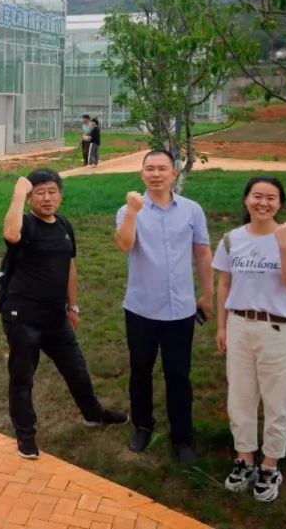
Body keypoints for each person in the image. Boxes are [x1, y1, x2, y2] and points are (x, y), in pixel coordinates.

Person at [2, 169, 127, 459]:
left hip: (56, 317)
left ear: (60, 195)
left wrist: (73, 306)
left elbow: (70, 267)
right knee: (22, 378)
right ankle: (25, 436)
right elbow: (10, 233)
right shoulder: (26, 224)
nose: (47, 198)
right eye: (39, 192)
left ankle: (93, 414)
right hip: (23, 317)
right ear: (30, 197)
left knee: (76, 369)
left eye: (52, 191)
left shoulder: (64, 225)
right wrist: (18, 192)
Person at [214, 176, 286, 503]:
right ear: (246, 200)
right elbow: (224, 285)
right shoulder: (231, 239)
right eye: (257, 196)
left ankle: (270, 465)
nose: (263, 203)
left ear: (279, 204)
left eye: (271, 198)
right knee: (240, 397)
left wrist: (282, 246)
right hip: (240, 325)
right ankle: (244, 459)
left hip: (278, 330)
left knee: (277, 400)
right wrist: (222, 327)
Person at [115, 150, 213, 464]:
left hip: (180, 309)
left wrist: (207, 293)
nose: (155, 174)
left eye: (162, 168)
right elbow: (124, 245)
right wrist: (133, 213)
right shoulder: (128, 210)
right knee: (140, 370)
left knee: (178, 374)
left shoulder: (192, 210)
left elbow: (202, 252)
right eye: (150, 169)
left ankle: (182, 437)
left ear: (174, 173)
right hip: (141, 308)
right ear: (141, 174)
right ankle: (143, 426)